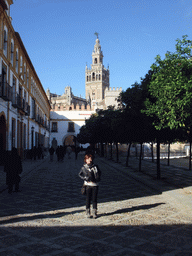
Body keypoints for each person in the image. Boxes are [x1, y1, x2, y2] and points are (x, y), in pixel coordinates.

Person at [79, 153, 101, 219]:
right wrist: (85, 178)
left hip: (95, 185)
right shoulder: (84, 167)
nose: (90, 160)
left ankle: (94, 212)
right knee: (88, 199)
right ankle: (87, 212)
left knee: (94, 199)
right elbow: (80, 174)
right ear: (86, 160)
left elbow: (100, 173)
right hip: (88, 185)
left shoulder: (95, 167)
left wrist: (97, 177)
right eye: (88, 159)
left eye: (91, 158)